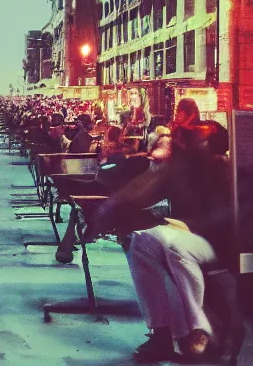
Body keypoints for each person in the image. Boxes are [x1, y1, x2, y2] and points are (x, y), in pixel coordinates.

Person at [87, 106, 232, 363]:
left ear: (213, 146)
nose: (184, 141)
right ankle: (161, 332)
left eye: (194, 138)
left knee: (170, 244)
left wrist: (184, 225)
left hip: (218, 242)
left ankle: (197, 330)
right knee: (141, 241)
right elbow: (139, 193)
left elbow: (226, 217)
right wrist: (107, 211)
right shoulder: (180, 168)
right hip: (184, 237)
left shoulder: (223, 168)